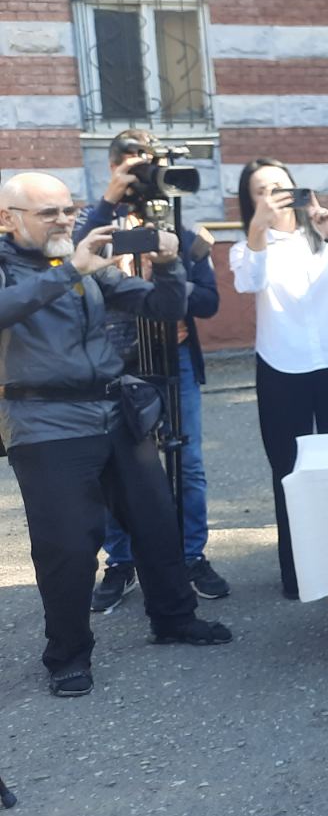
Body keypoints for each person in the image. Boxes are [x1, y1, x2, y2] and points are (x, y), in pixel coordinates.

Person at [0, 172, 232, 697]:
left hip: (113, 411)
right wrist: (70, 270)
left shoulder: (78, 263)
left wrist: (169, 264)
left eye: (69, 210)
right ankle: (67, 656)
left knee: (156, 521)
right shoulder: (30, 265)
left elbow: (164, 308)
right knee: (67, 547)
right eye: (49, 213)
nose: (64, 221)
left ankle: (174, 619)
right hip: (44, 422)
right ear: (8, 218)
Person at [75, 130, 230, 609]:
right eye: (132, 166)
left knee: (189, 463)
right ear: (113, 168)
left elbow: (209, 303)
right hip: (115, 363)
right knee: (115, 467)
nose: (142, 176)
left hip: (173, 354)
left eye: (149, 166)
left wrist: (167, 279)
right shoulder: (93, 224)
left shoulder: (182, 231)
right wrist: (109, 202)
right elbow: (70, 262)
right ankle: (121, 563)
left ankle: (191, 556)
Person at [229, 159, 328, 599]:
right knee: (289, 471)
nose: (273, 196)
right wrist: (258, 229)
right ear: (250, 201)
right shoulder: (247, 246)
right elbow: (248, 282)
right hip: (282, 364)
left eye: (279, 186)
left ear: (297, 188)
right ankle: (298, 573)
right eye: (261, 191)